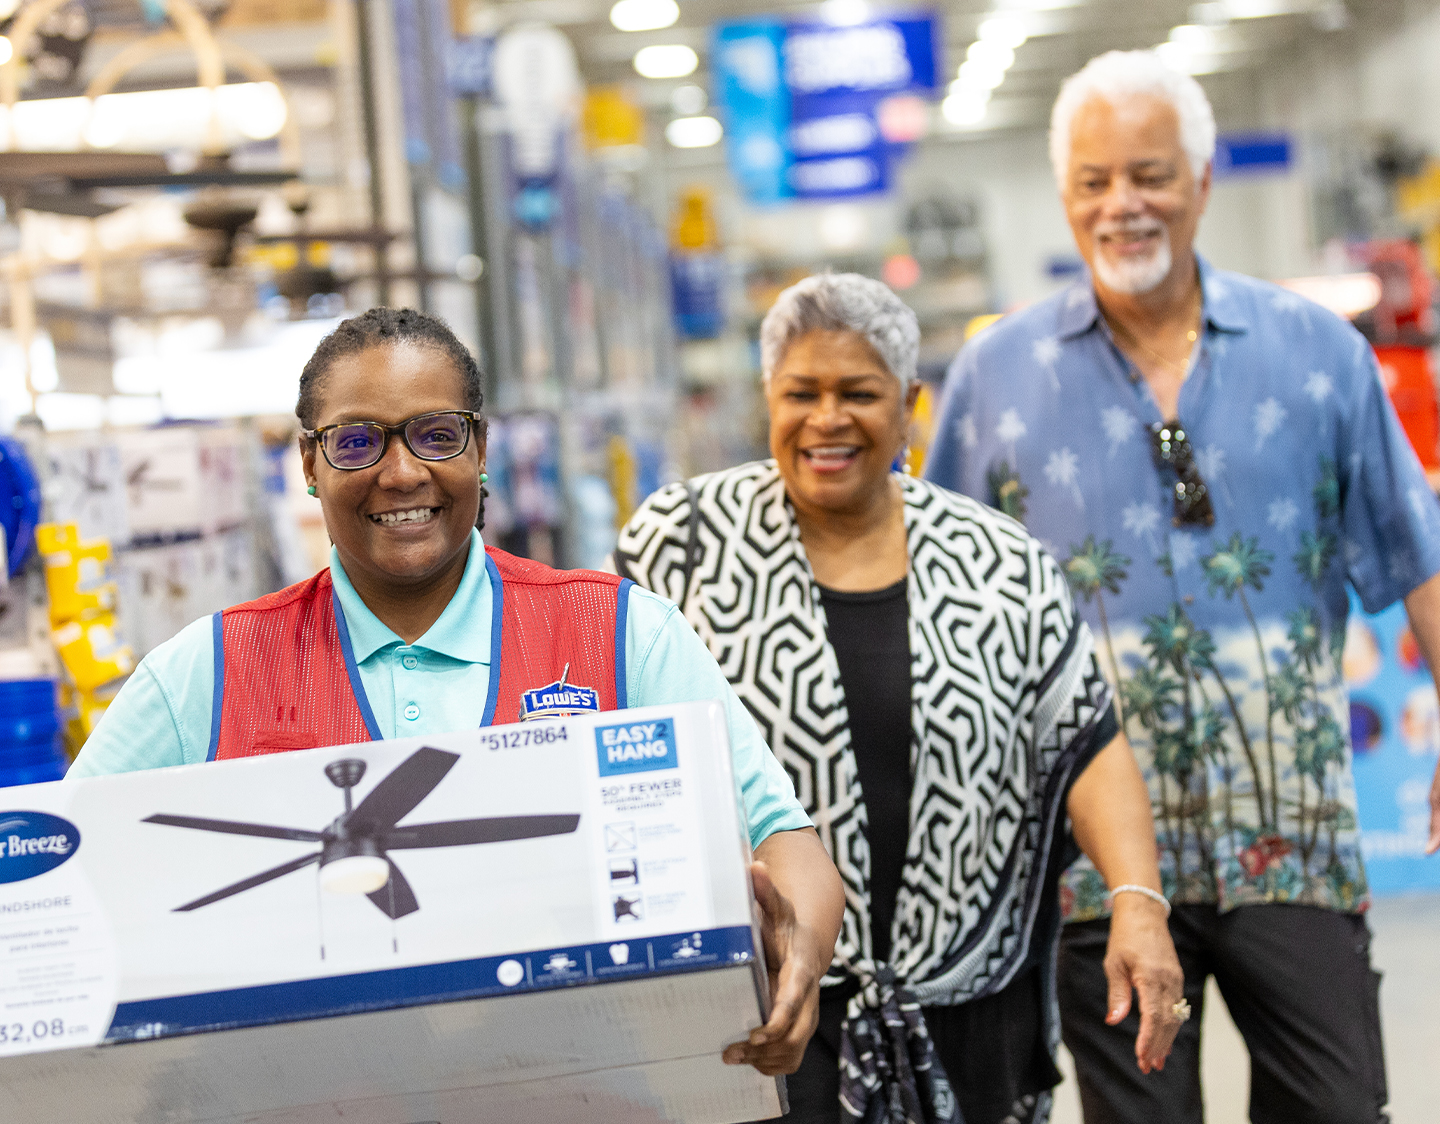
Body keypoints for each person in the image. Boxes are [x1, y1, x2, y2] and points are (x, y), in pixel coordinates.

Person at [69, 306, 844, 1078]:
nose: (402, 473)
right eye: (356, 442)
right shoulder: (207, 673)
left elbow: (782, 838)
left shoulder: (620, 635)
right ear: (309, 463)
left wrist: (800, 950)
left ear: (480, 449)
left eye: (436, 435)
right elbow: (62, 876)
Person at [925, 48, 1440, 1124]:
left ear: (1202, 182)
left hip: (1294, 837)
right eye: (1095, 181)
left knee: (1340, 1108)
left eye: (1150, 175)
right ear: (1065, 195)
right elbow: (944, 611)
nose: (1123, 204)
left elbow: (1416, 553)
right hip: (1098, 872)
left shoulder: (1317, 355)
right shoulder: (995, 378)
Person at [614, 274, 1184, 1124]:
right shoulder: (681, 544)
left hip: (967, 1011)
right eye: (801, 393)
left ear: (910, 403)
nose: (827, 419)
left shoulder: (1000, 564)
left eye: (858, 393)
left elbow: (1087, 744)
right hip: (764, 1005)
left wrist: (1138, 900)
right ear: (768, 396)